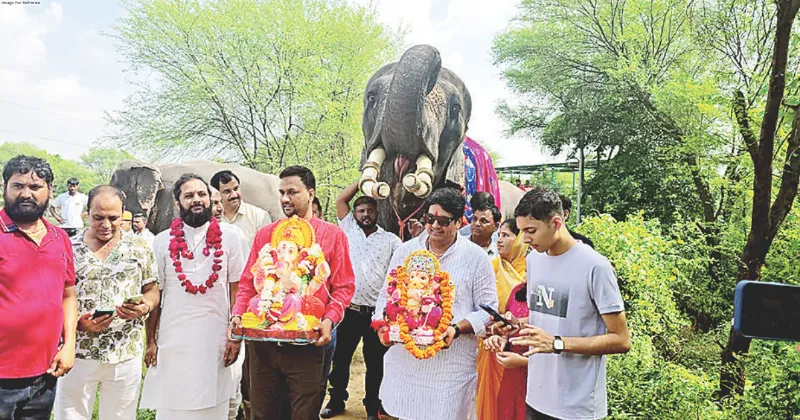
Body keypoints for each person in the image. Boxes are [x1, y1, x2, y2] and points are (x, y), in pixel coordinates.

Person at [488, 187, 631, 420]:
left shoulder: (595, 266)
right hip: (535, 396)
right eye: (522, 231)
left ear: (556, 222)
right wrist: (516, 325)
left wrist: (557, 343)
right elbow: (547, 316)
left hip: (576, 405)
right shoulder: (534, 260)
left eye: (531, 231)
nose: (524, 239)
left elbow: (621, 339)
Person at [230, 165, 356, 420]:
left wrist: (329, 321)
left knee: (303, 414)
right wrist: (237, 314)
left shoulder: (332, 235)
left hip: (306, 344)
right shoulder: (265, 234)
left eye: (292, 192)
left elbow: (344, 287)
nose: (285, 199)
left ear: (311, 193)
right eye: (281, 192)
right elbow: (246, 284)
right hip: (262, 346)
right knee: (263, 413)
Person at [373, 187, 498, 420]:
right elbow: (385, 296)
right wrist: (382, 326)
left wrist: (455, 329)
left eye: (443, 221)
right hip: (404, 363)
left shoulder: (475, 257)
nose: (435, 226)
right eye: (430, 219)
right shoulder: (405, 251)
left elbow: (488, 310)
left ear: (460, 222)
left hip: (451, 368)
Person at [139, 174, 247, 419]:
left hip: (217, 339)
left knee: (215, 405)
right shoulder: (162, 241)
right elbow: (157, 293)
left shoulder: (231, 236)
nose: (196, 199)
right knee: (174, 405)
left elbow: (237, 290)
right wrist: (151, 342)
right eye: (189, 195)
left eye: (201, 194)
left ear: (210, 199)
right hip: (174, 340)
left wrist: (235, 336)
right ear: (178, 203)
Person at [54, 186, 160, 420]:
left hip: (125, 351)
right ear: (86, 213)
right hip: (78, 352)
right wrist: (77, 325)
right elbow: (55, 298)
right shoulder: (68, 247)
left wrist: (144, 307)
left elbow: (152, 291)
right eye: (98, 218)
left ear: (123, 214)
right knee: (70, 415)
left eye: (113, 218)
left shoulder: (140, 247)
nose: (106, 225)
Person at [1, 155, 78, 418]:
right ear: (5, 188)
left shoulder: (60, 238)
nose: (26, 194)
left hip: (45, 373)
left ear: (49, 192)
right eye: (18, 186)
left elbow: (68, 294)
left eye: (35, 187)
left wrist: (69, 345)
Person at [321, 182, 402, 420]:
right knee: (341, 359)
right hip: (349, 310)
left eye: (369, 210)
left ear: (377, 212)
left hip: (376, 314)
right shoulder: (347, 230)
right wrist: (364, 180)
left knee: (375, 363)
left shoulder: (390, 240)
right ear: (354, 214)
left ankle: (372, 407)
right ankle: (336, 401)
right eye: (361, 211)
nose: (365, 214)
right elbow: (340, 200)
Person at [476, 219, 529, 420]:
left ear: (520, 240)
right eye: (498, 235)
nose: (499, 240)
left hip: (526, 353)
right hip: (493, 346)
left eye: (506, 235)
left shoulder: (532, 273)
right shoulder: (491, 267)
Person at [210, 170, 272, 245]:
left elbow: (267, 250)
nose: (234, 195)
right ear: (217, 194)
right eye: (227, 191)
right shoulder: (210, 219)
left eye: (236, 189)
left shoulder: (259, 216)